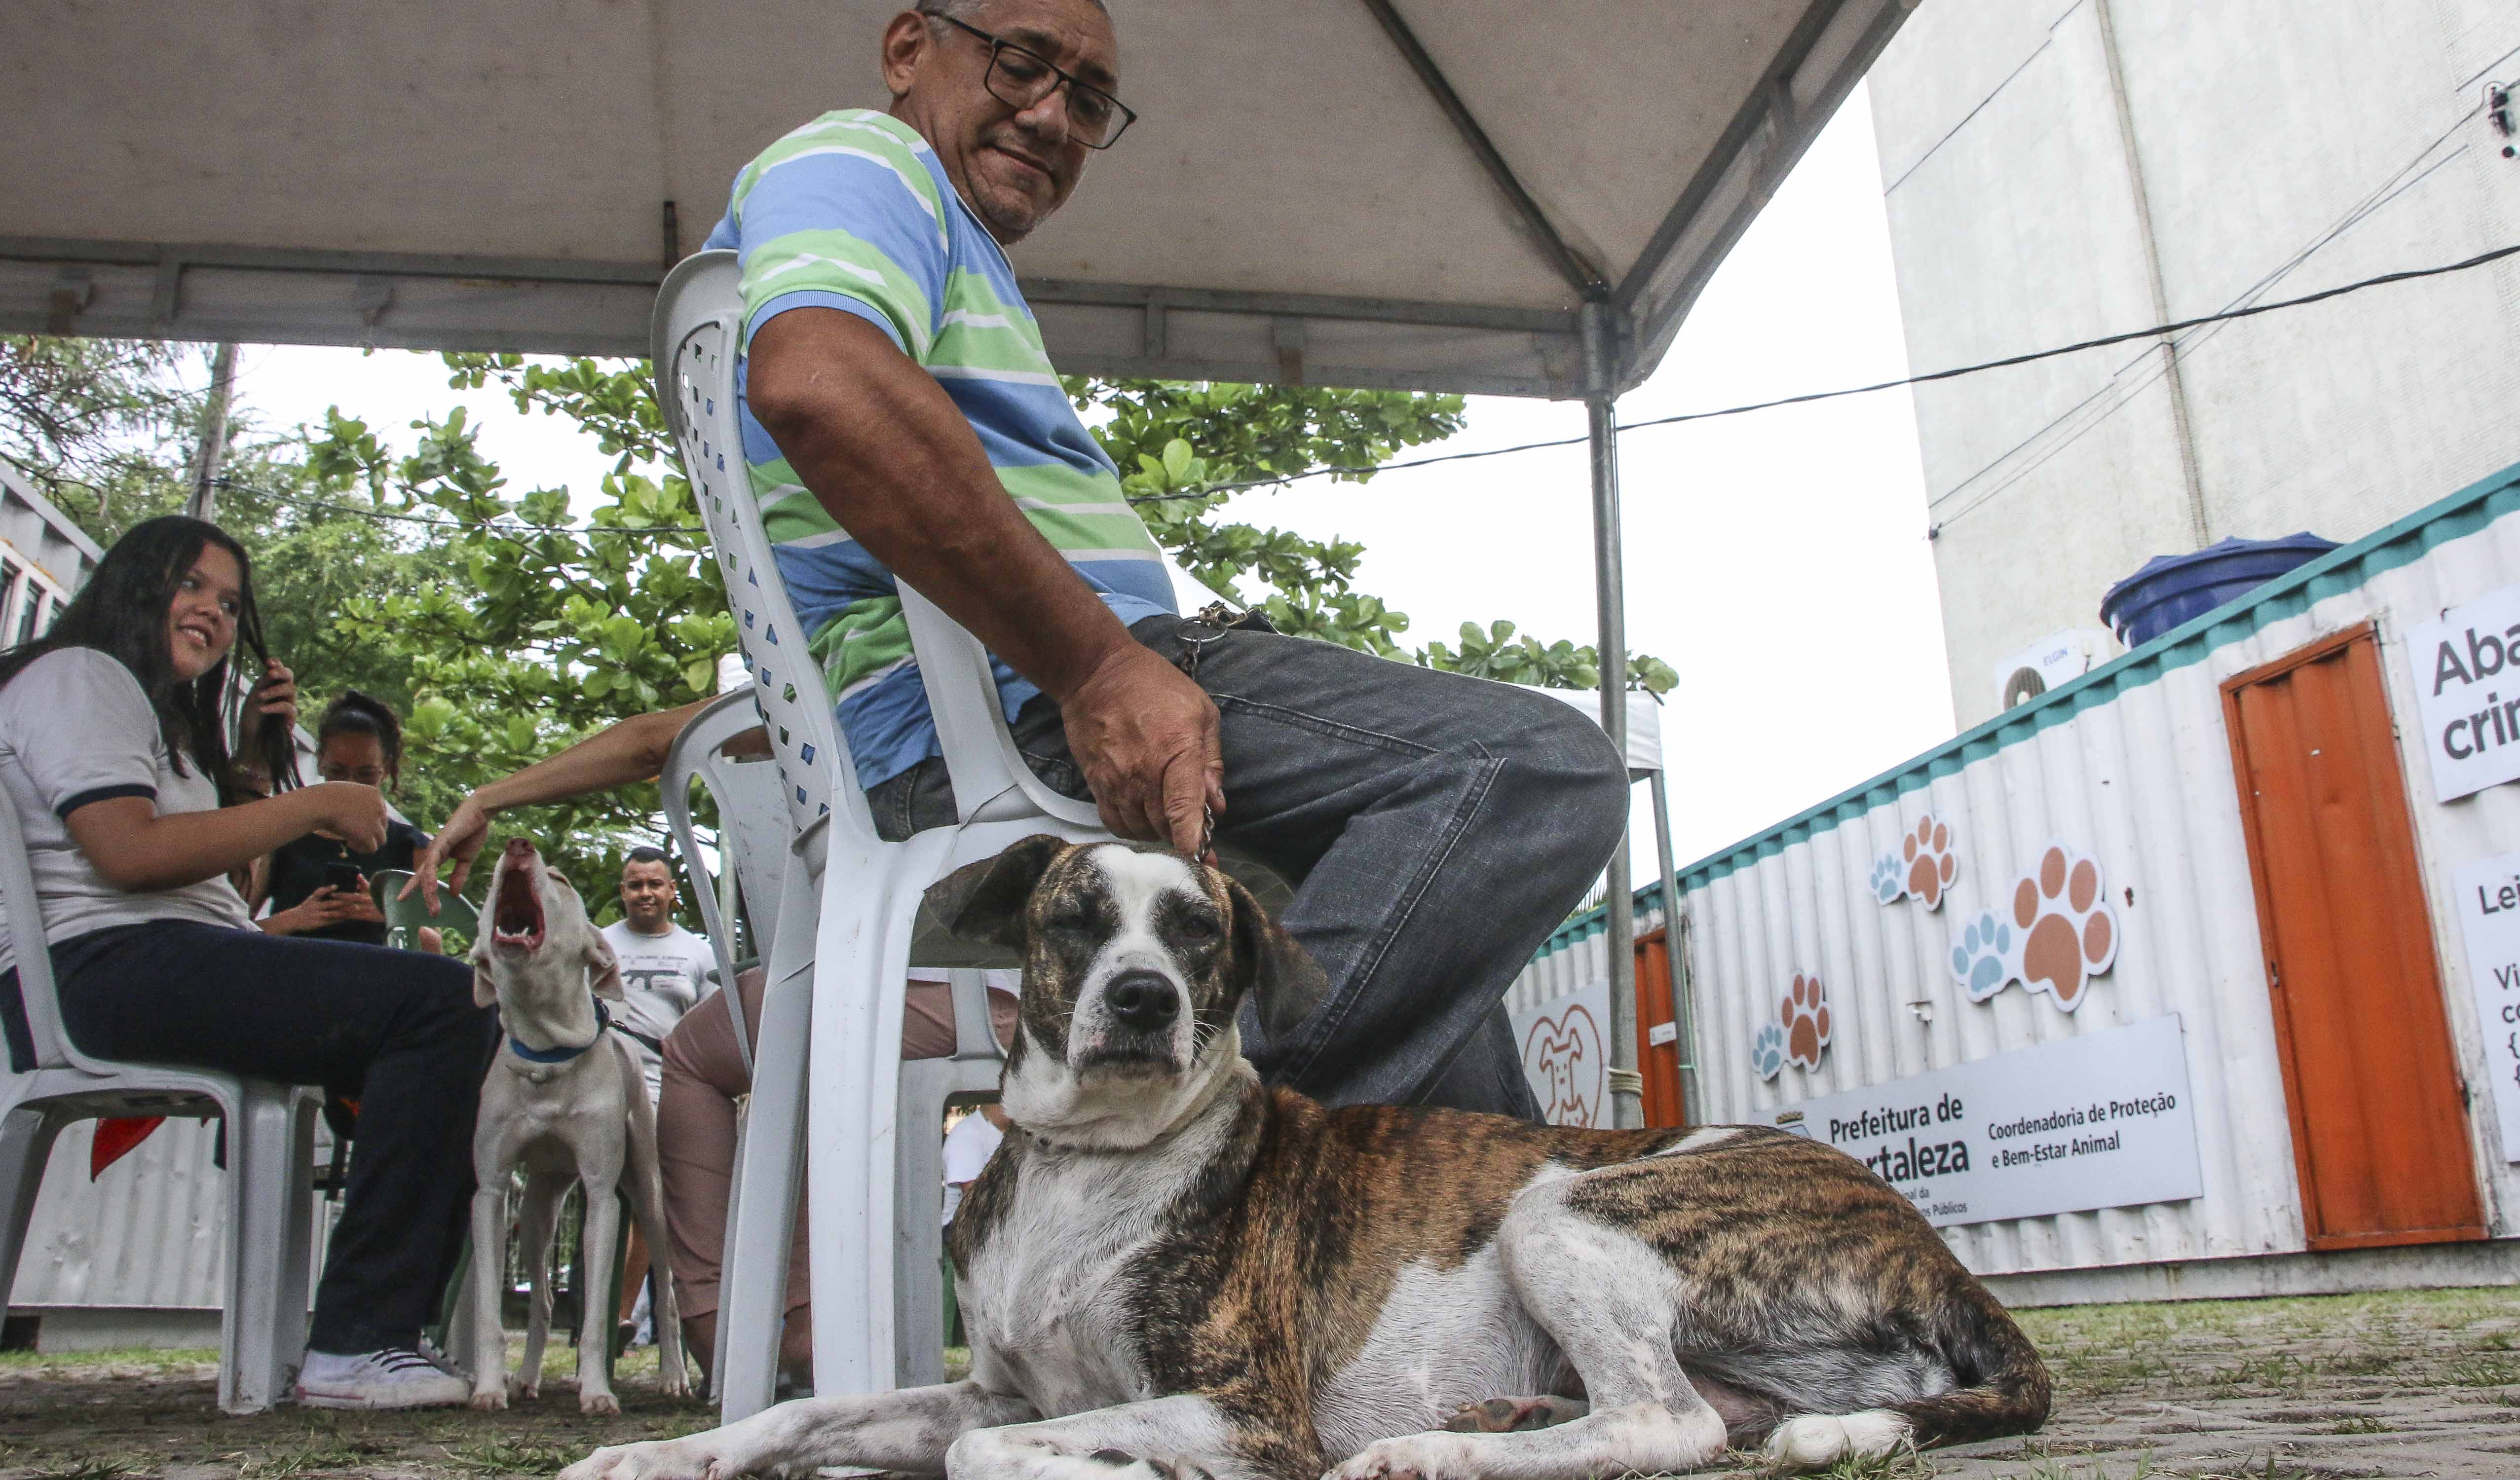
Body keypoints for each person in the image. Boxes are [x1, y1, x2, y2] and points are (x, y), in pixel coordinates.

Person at [701, 0, 1626, 1119]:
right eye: (1021, 63)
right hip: (1016, 710)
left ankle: (1471, 1262)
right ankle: (1199, 1168)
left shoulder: (941, 244)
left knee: (1440, 938)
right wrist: (1098, 668)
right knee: (1529, 771)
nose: (1051, 117)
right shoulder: (866, 157)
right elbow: (820, 381)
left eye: (1088, 100)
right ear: (909, 48)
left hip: (1004, 708)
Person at [0, 516, 493, 1409]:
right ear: (131, 584)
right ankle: (359, 1339)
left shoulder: (150, 714)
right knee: (453, 1003)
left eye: (228, 603)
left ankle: (365, 1327)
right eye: (191, 586)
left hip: (158, 960)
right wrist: (316, 803)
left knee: (438, 1006)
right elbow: (129, 853)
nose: (212, 613)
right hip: (105, 971)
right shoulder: (79, 676)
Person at [404, 699, 1020, 1384]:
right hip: (1064, 986)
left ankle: (724, 1320)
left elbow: (652, 743)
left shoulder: (873, 667)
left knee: (717, 1049)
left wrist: (489, 798)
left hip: (929, 982)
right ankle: (795, 1316)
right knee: (799, 1037)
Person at [597, 845, 717, 1350]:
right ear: (622, 892)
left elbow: (713, 1031)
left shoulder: (698, 952)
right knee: (599, 1201)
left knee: (655, 1206)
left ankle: (622, 1319)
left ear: (672, 891)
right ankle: (597, 1321)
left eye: (654, 884)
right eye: (634, 884)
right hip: (599, 1089)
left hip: (668, 1091)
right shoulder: (597, 945)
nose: (644, 893)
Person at [258, 692, 427, 945]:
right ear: (320, 762)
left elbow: (433, 944)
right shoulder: (282, 836)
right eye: (338, 772)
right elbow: (234, 929)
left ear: (386, 770)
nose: (351, 785)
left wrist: (390, 916)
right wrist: (296, 918)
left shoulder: (410, 846)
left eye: (366, 774)